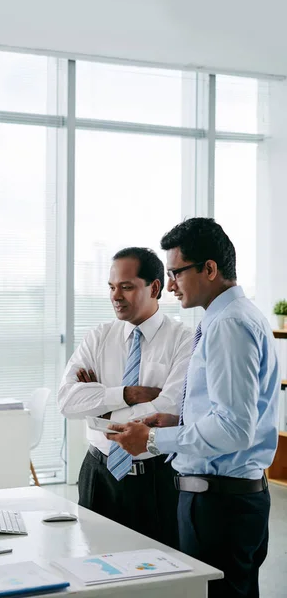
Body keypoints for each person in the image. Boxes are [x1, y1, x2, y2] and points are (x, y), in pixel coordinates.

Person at [108, 219, 280, 598]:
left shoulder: (228, 325)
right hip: (229, 499)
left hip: (220, 505)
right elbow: (232, 411)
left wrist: (154, 439)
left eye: (176, 273)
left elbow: (235, 427)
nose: (170, 285)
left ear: (209, 269)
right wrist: (177, 420)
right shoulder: (235, 317)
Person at [58, 247, 193, 548]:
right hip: (98, 474)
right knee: (97, 570)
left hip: (154, 480)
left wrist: (101, 411)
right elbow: (67, 400)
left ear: (155, 287)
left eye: (127, 287)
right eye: (112, 287)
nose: (116, 295)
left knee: (158, 576)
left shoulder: (183, 339)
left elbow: (168, 408)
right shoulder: (99, 336)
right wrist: (126, 394)